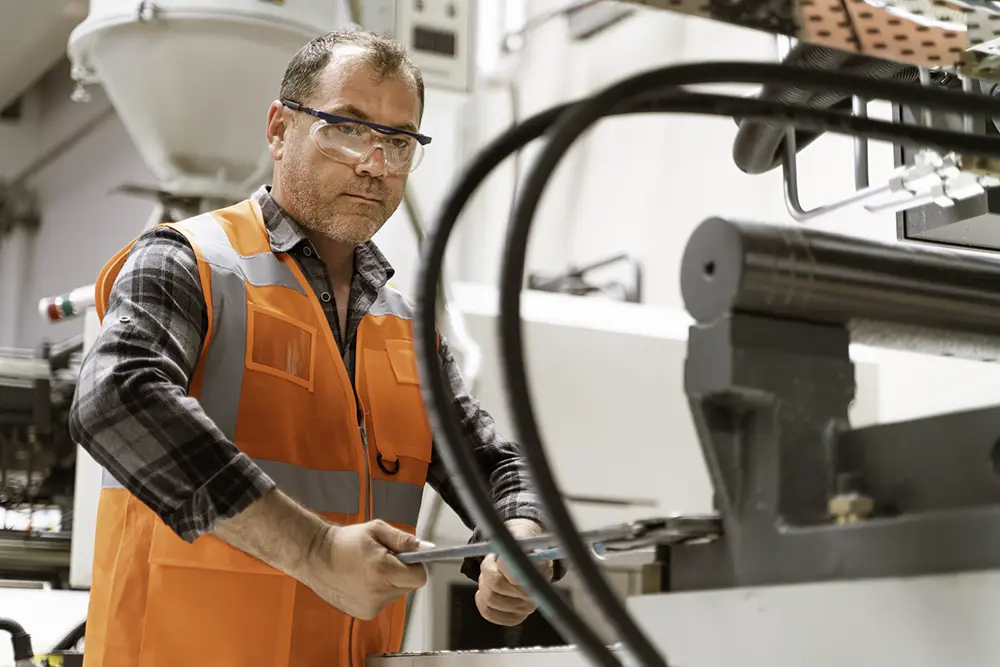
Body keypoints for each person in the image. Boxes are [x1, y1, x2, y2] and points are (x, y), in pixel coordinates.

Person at [70, 30, 560, 667]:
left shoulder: (405, 333)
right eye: (346, 128)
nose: (374, 163)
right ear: (280, 130)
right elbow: (116, 399)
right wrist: (313, 552)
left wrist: (523, 542)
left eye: (399, 140)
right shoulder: (187, 262)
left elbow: (500, 468)